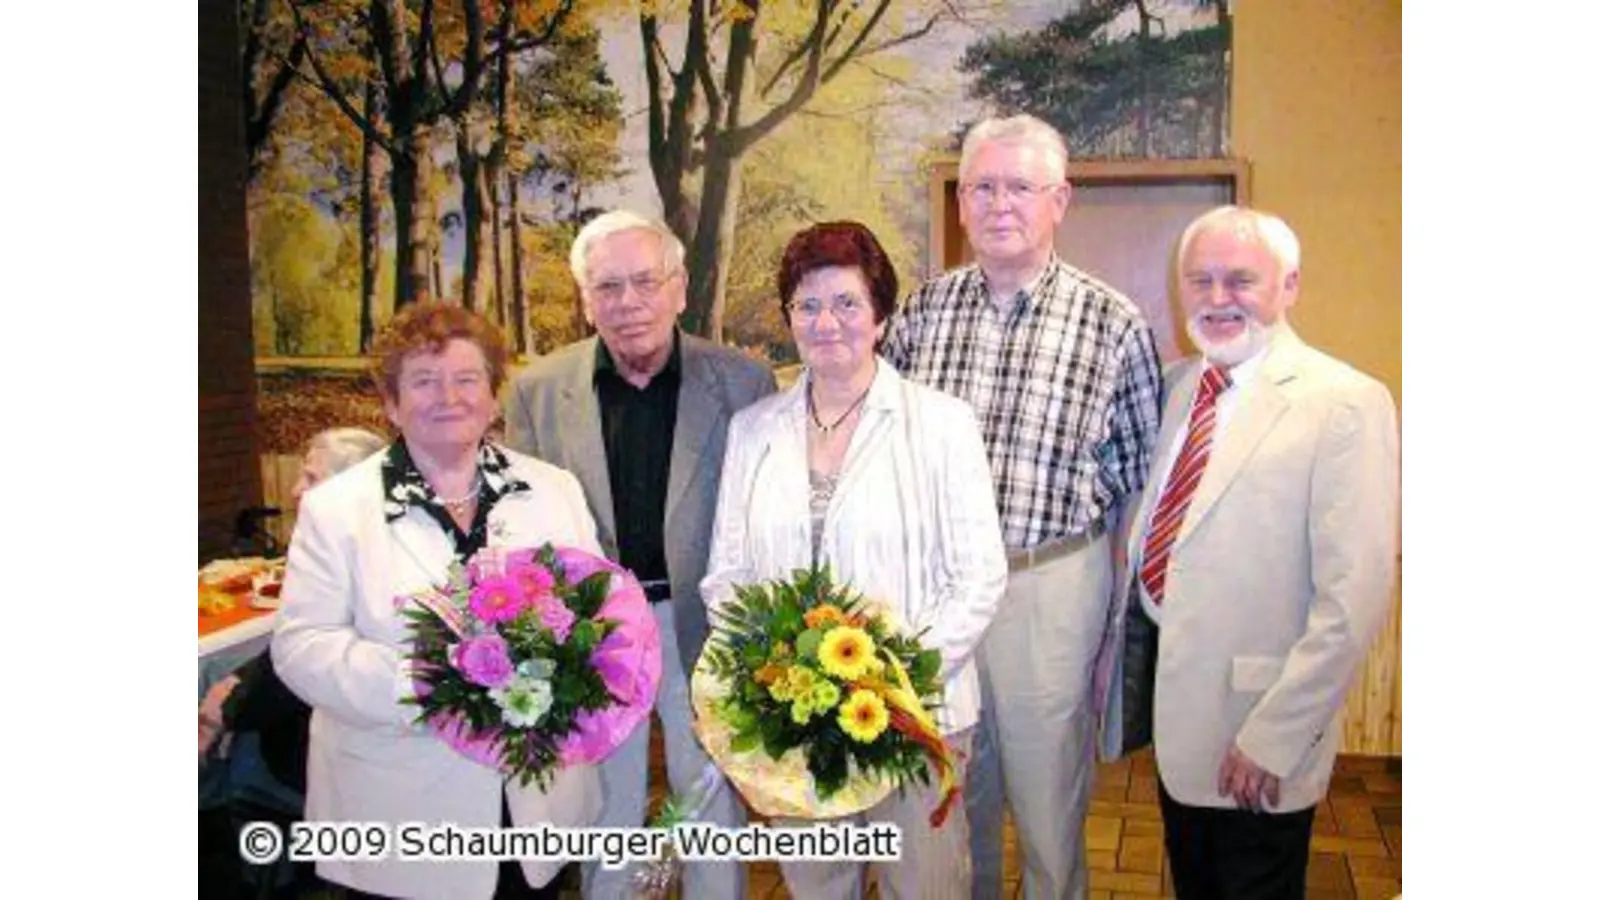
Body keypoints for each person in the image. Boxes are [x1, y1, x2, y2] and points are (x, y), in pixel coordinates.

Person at [880, 113, 1164, 900]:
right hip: (936, 590)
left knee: (1047, 805)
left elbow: (1133, 483)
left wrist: (1113, 626)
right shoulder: (920, 315)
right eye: (983, 187)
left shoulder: (1114, 324)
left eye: (1020, 187)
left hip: (1050, 590)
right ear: (961, 201)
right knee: (947, 797)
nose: (1000, 204)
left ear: (1059, 200)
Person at [1096, 206, 1399, 898]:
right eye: (1198, 280)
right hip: (1183, 724)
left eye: (1241, 280)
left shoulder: (1344, 403)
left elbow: (1353, 600)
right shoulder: (1179, 389)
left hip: (1259, 729)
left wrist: (1275, 736)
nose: (1216, 298)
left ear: (1289, 285)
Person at [701, 220, 1008, 900]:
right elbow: (726, 572)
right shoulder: (753, 432)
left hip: (915, 713)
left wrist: (890, 680)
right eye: (807, 306)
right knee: (817, 886)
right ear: (789, 318)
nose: (826, 322)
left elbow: (979, 576)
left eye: (846, 303)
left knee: (924, 887)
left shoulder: (941, 423)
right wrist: (772, 670)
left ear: (881, 315)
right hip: (794, 713)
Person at [271, 302, 604, 900]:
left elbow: (597, 615)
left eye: (466, 378)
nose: (447, 396)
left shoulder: (553, 490)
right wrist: (435, 683)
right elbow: (301, 648)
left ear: (494, 395)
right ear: (392, 403)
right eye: (423, 381)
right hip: (401, 809)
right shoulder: (337, 509)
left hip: (533, 802)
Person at [502, 210, 774, 900]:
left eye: (645, 282)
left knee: (707, 798)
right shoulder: (538, 392)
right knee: (606, 804)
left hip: (702, 625)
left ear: (679, 288)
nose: (628, 304)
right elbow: (522, 525)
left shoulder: (743, 382)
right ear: (586, 298)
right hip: (596, 636)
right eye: (608, 287)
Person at [199, 427, 389, 784]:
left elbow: (300, 669)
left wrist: (226, 707)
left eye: (311, 478)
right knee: (221, 668)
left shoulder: (358, 562)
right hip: (328, 720)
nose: (295, 490)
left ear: (350, 490)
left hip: (318, 755)